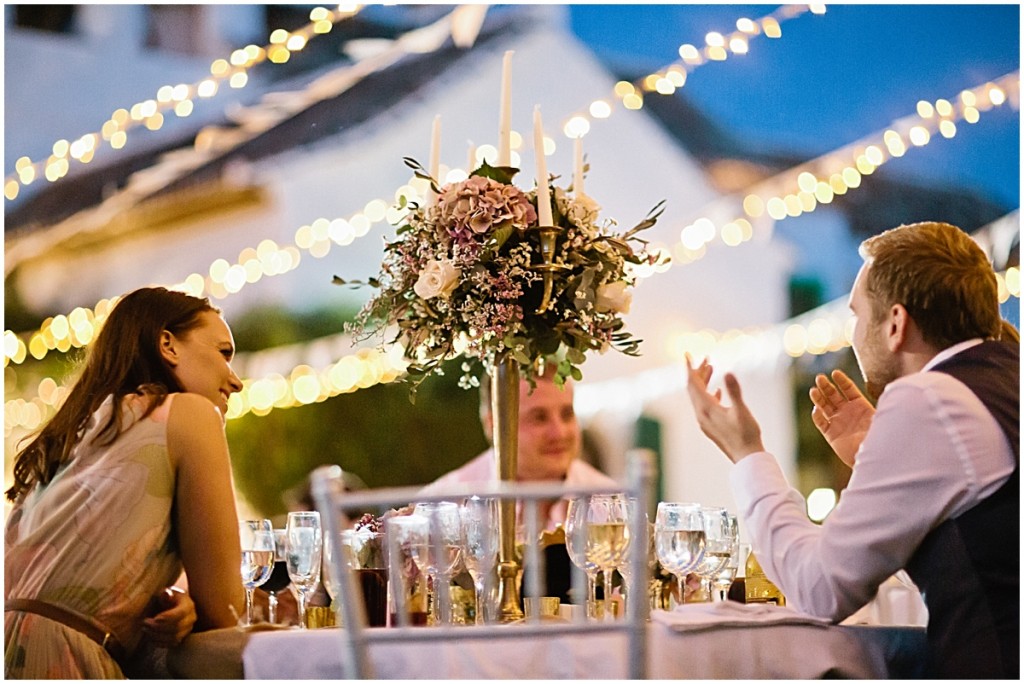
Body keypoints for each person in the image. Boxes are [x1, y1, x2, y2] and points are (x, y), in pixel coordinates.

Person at [685, 221, 1018, 679]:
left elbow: (820, 589)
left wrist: (747, 455)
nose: (854, 333)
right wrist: (873, 451)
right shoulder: (1002, 379)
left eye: (858, 315)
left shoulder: (929, 399)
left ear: (896, 324)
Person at [5, 287, 247, 678]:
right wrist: (203, 608)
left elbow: (77, 577)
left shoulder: (70, 436)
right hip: (67, 663)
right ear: (167, 345)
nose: (235, 381)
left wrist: (177, 605)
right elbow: (227, 610)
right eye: (224, 353)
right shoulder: (189, 415)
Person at [420, 364, 617, 529]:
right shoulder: (443, 505)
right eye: (539, 418)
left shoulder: (613, 503)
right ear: (493, 425)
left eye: (567, 414)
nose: (560, 432)